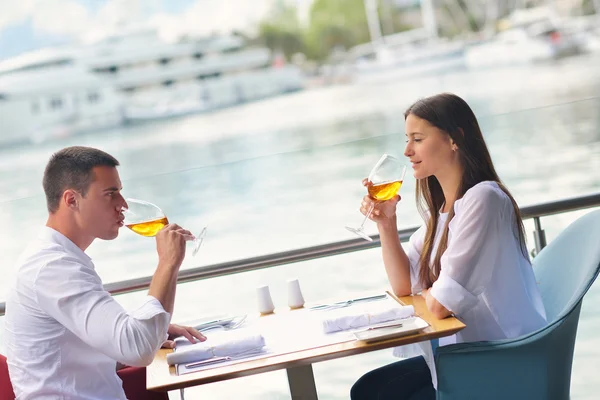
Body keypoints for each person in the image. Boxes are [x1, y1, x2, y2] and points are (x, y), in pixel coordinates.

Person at [350, 93, 547, 399]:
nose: (407, 150)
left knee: (377, 393)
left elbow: (441, 306)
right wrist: (386, 224)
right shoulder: (440, 213)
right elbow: (404, 286)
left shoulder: (484, 199)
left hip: (501, 357)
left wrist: (430, 293)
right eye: (407, 139)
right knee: (370, 389)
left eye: (417, 138)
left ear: (454, 139)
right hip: (467, 354)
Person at [4, 146, 205, 399]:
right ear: (71, 200)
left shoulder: (59, 259)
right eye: (111, 194)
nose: (122, 205)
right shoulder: (52, 268)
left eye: (120, 192)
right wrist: (168, 262)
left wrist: (154, 333)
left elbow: (79, 356)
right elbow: (137, 349)